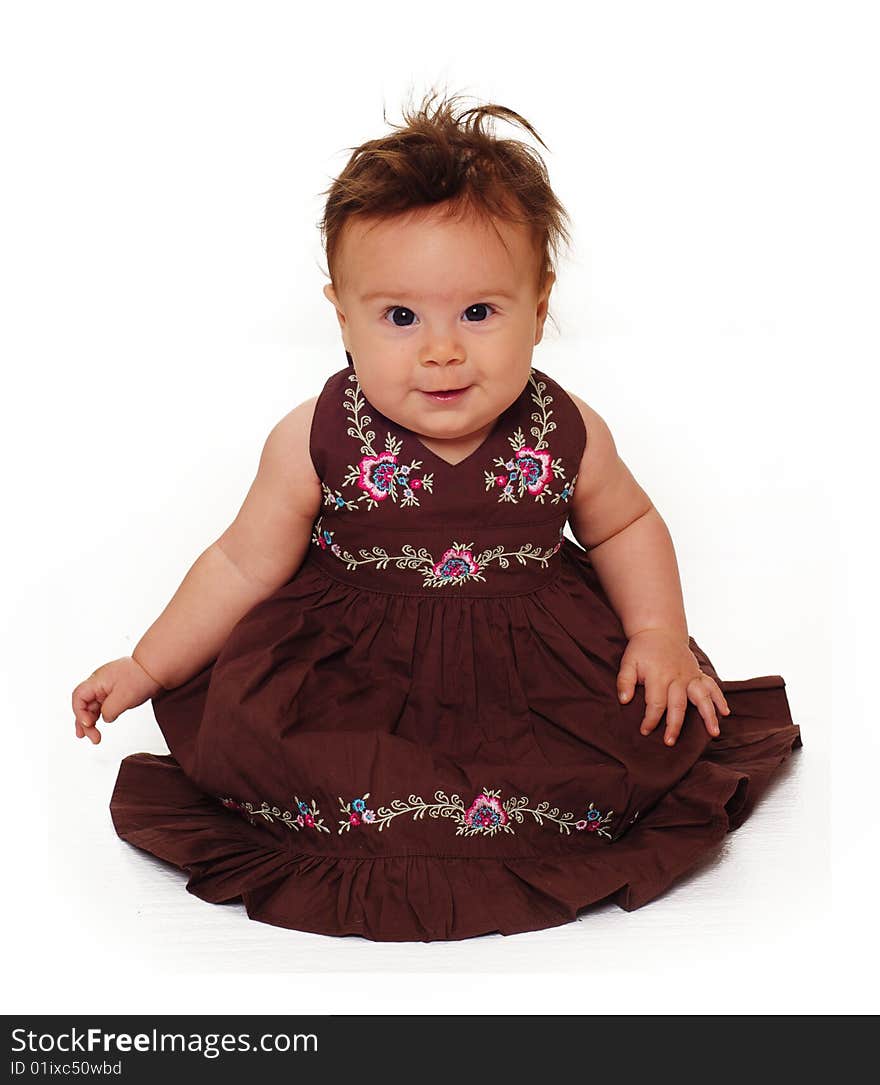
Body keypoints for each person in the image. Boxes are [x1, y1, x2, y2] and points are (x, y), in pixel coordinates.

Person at [71, 89, 802, 942]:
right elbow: (241, 563)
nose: (442, 349)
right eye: (401, 317)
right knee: (321, 760)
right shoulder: (313, 437)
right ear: (342, 315)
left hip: (534, 670)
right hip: (358, 670)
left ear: (540, 306)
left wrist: (659, 635)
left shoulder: (563, 428)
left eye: (480, 313)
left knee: (611, 752)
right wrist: (149, 665)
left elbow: (624, 526)